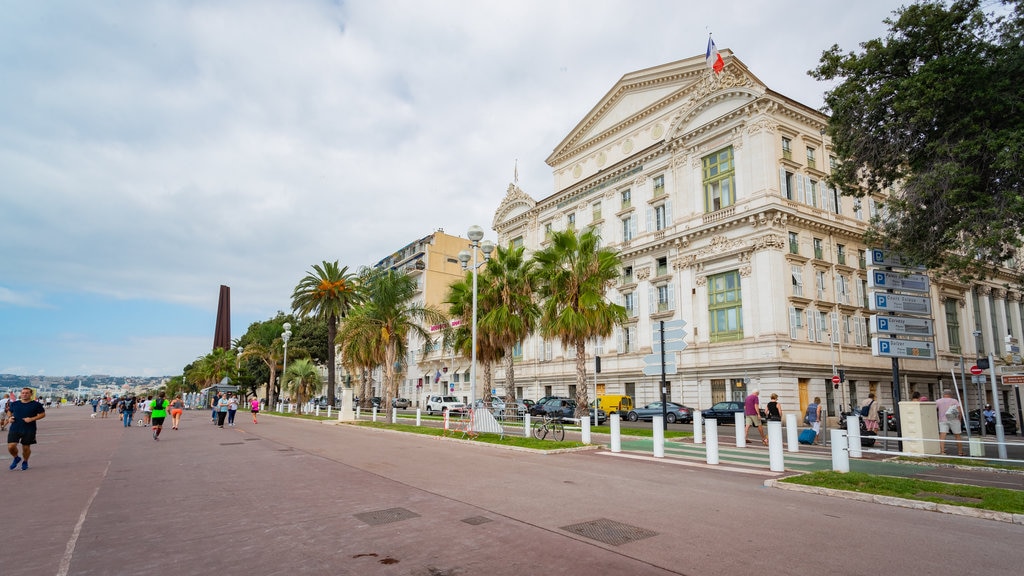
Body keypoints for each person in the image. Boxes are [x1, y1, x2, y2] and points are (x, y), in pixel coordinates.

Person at [6, 387, 45, 471]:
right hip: (15, 428)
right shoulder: (15, 403)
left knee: (26, 448)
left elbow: (42, 414)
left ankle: (25, 461)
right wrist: (9, 418)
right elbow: (9, 411)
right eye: (23, 393)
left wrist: (31, 419)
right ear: (20, 394)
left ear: (31, 394)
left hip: (29, 429)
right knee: (11, 446)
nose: (24, 394)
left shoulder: (36, 404)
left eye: (27, 393)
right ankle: (16, 458)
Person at [935, 390, 964, 456]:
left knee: (942, 435)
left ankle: (942, 451)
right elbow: (959, 411)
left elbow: (934, 409)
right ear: (951, 394)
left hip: (943, 420)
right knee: (957, 435)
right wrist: (959, 419)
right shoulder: (954, 401)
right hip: (954, 419)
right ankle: (960, 452)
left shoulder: (938, 401)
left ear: (943, 394)